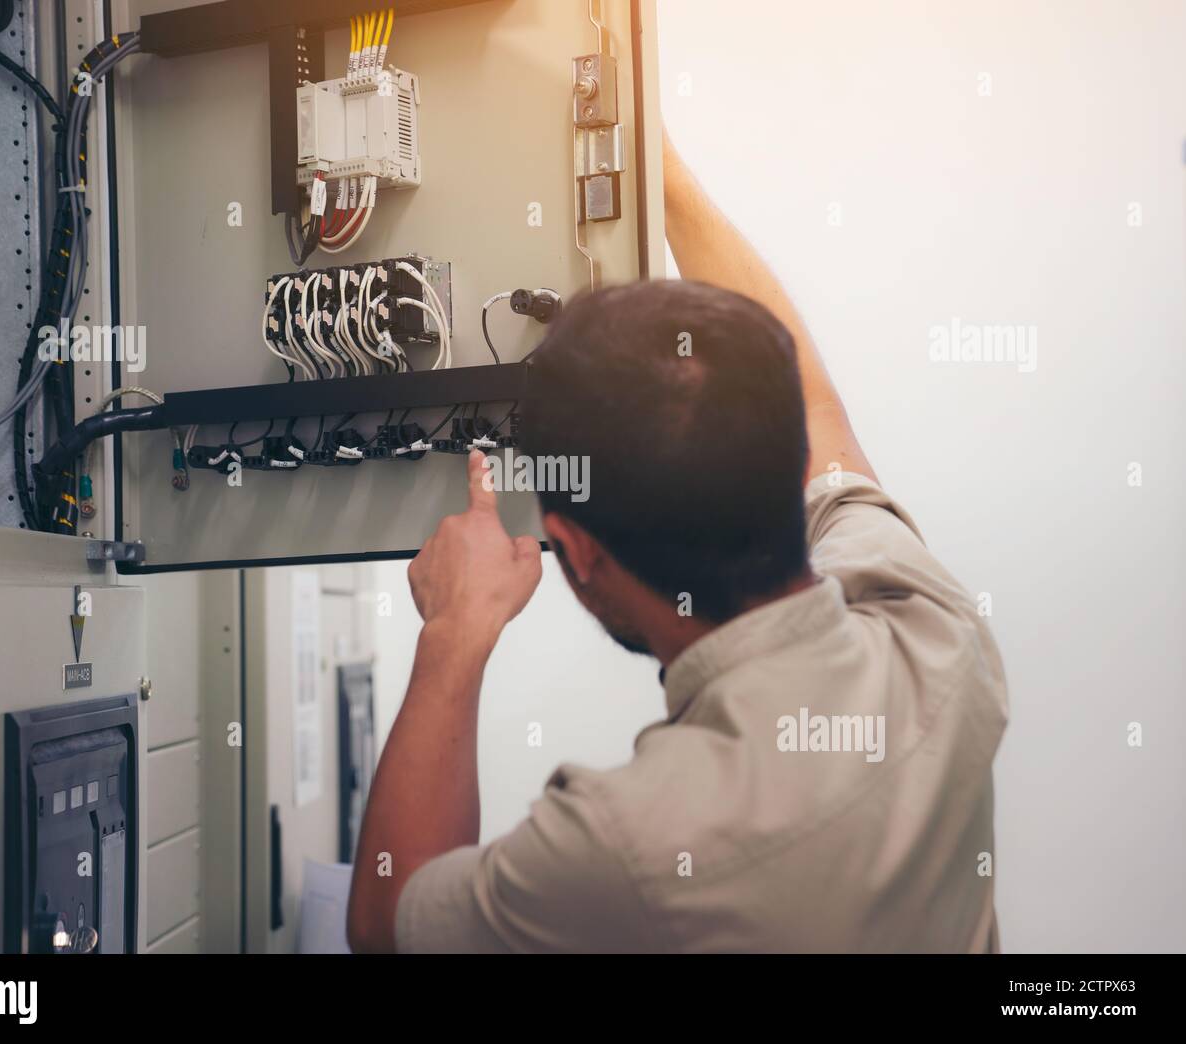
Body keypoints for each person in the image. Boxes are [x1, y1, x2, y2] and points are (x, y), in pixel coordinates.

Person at [346, 134, 1009, 953]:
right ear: (791, 467)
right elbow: (820, 414)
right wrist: (655, 158)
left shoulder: (627, 844)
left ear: (577, 554)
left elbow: (388, 922)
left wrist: (454, 632)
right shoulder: (935, 633)